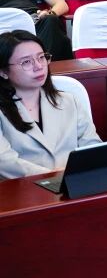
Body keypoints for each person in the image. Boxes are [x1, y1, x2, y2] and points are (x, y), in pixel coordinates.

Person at [0, 31, 101, 179]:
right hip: (23, 189)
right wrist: (55, 176)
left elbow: (93, 147)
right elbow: (5, 162)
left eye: (41, 57)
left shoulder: (69, 101)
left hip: (74, 185)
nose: (38, 66)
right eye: (26, 62)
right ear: (3, 72)